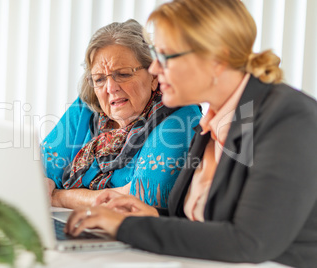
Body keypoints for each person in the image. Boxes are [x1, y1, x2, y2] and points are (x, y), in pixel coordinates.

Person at [65, 1, 317, 267]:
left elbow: (249, 242)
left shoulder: (289, 118)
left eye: (165, 56)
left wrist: (126, 226)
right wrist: (151, 217)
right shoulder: (214, 120)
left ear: (216, 59)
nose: (154, 69)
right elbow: (208, 223)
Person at [41, 19, 201, 209]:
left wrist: (59, 198)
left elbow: (138, 200)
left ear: (154, 76)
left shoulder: (179, 114)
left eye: (123, 74)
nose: (110, 88)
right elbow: (38, 176)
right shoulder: (88, 106)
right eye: (99, 79)